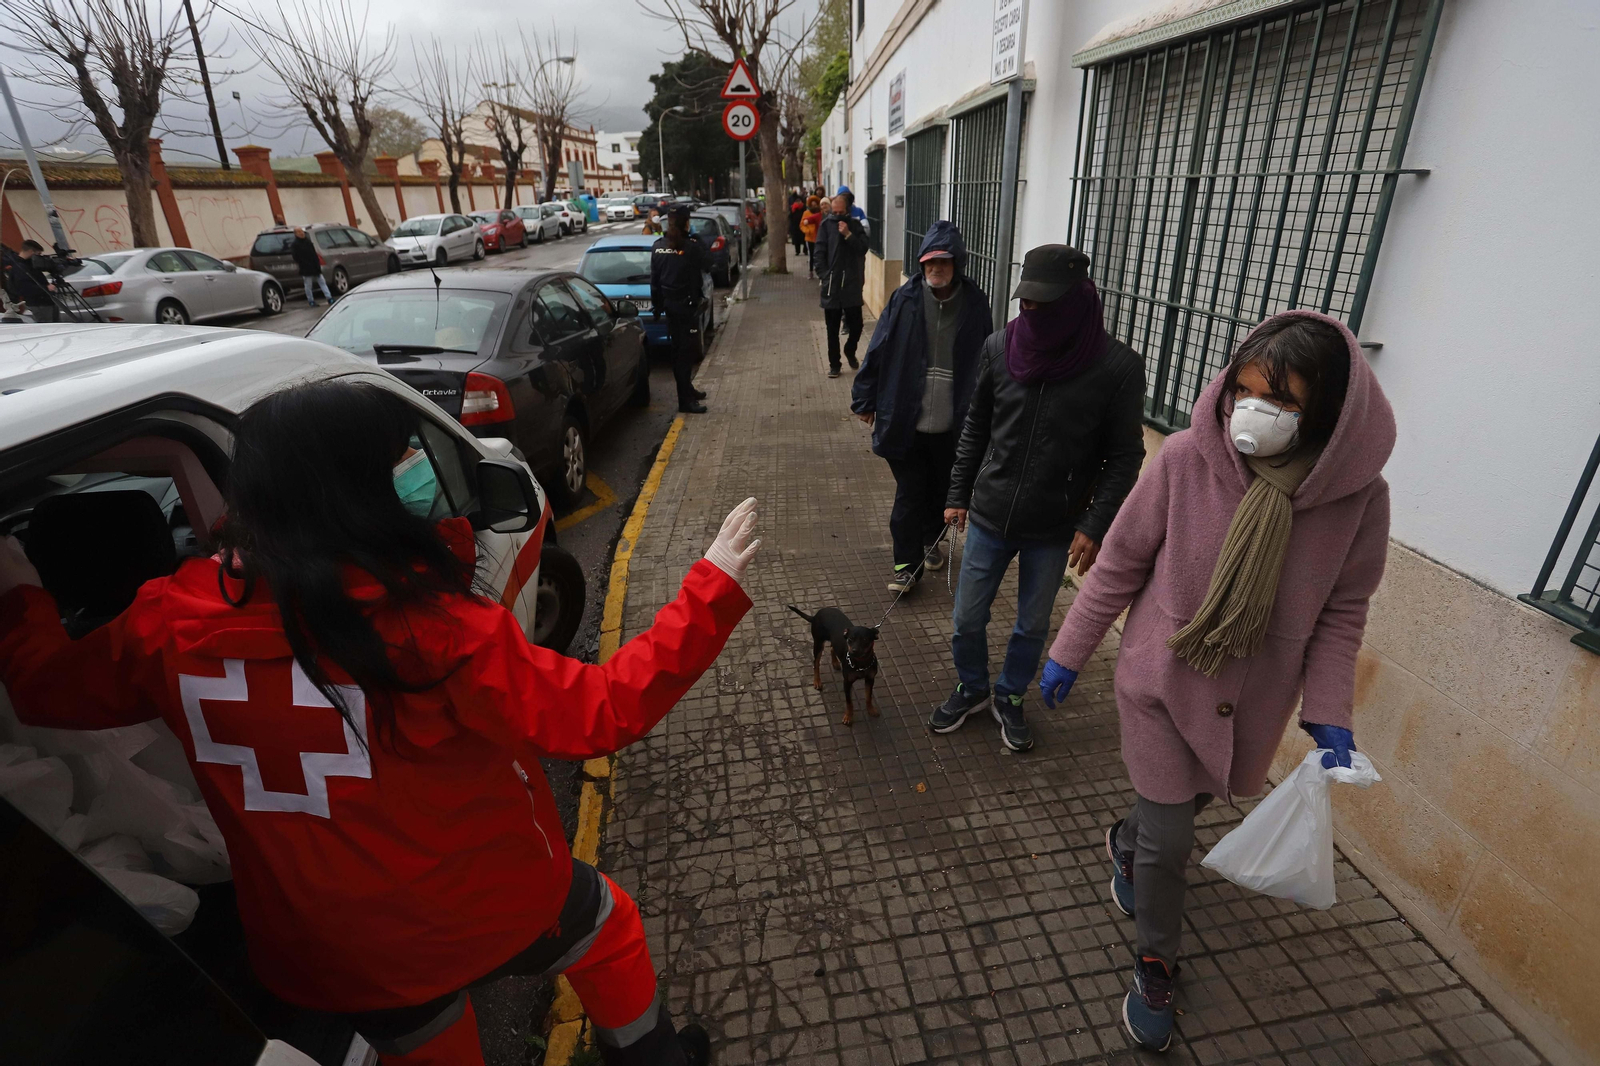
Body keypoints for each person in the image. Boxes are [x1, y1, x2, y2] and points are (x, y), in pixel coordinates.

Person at [0, 380, 762, 1066]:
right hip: (478, 905)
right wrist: (710, 587)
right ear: (357, 491)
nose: (414, 473)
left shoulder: (164, 620)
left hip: (331, 950)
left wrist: (21, 596)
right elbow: (603, 709)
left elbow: (42, 691)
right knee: (606, 925)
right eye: (397, 462)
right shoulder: (432, 628)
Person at [1036, 311, 1391, 1052]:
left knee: (1183, 808)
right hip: (1161, 684)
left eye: (1284, 402)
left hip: (1251, 706)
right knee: (1172, 842)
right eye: (1247, 391)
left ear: (1323, 414)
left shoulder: (1358, 498)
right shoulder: (1185, 460)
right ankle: (1157, 958)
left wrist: (1329, 712)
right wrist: (1070, 649)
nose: (1255, 412)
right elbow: (1122, 562)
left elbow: (1342, 611)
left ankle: (1126, 841)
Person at [932, 245, 1146, 753]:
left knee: (1031, 624)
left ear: (1077, 301)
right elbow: (976, 428)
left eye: (1044, 305)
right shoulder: (999, 347)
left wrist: (1094, 524)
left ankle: (1009, 696)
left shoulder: (1116, 367)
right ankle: (973, 687)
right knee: (966, 617)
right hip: (988, 514)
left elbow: (1124, 457)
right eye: (1025, 302)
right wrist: (958, 492)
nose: (1030, 314)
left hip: (1055, 526)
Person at [851, 221, 992, 594]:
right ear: (921, 264)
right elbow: (878, 348)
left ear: (957, 264)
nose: (935, 269)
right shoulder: (905, 299)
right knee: (910, 491)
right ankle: (905, 566)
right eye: (929, 263)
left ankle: (933, 540)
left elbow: (989, 360)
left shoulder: (975, 303)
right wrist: (865, 399)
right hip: (905, 414)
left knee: (943, 487)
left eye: (943, 263)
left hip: (955, 419)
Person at [651, 204, 710, 414]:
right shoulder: (691, 247)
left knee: (679, 352)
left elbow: (655, 281)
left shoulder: (657, 245)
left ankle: (687, 389)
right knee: (685, 354)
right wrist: (698, 238)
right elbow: (708, 263)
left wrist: (657, 307)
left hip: (669, 307)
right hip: (685, 308)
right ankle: (685, 401)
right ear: (686, 223)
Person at [810, 193, 867, 378]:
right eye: (834, 213)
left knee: (857, 325)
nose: (837, 216)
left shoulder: (856, 226)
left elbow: (862, 248)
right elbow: (818, 253)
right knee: (832, 330)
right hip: (831, 285)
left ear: (847, 211)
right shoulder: (826, 226)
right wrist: (825, 276)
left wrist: (848, 235)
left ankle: (850, 350)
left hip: (851, 284)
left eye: (841, 212)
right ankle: (834, 364)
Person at [4, 240, 61, 323]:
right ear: (31, 251)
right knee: (48, 328)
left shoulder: (30, 264)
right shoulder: (19, 267)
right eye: (38, 254)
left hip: (47, 301)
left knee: (57, 326)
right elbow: (25, 288)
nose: (39, 257)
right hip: (38, 304)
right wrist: (46, 287)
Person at [291, 227, 333, 307]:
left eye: (302, 231)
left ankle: (329, 297)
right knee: (308, 285)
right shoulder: (295, 245)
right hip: (306, 268)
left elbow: (314, 254)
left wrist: (317, 264)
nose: (301, 233)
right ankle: (311, 300)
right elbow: (296, 257)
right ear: (296, 234)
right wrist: (304, 263)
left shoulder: (308, 242)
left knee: (322, 282)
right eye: (299, 232)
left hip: (315, 267)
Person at [799, 196, 823, 278]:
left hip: (819, 237)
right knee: (811, 255)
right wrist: (807, 231)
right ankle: (811, 271)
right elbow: (802, 224)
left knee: (819, 255)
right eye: (812, 205)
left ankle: (819, 270)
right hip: (809, 238)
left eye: (815, 204)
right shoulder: (806, 213)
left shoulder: (820, 213)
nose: (814, 206)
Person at [788, 192, 806, 257]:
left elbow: (789, 217)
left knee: (802, 239)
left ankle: (802, 251)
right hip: (796, 226)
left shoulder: (802, 208)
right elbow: (790, 217)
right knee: (798, 239)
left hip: (801, 225)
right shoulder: (794, 208)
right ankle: (799, 251)